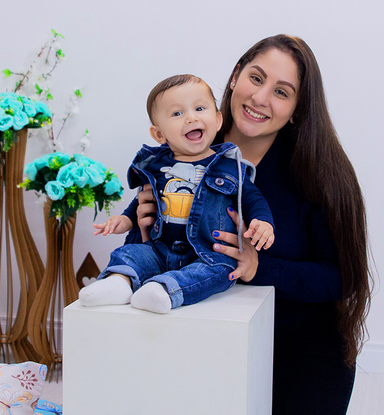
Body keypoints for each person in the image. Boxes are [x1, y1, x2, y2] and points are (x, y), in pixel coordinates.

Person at [127, 36, 372, 415]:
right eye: (256, 78)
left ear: (296, 109)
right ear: (236, 76)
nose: (260, 98)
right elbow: (147, 256)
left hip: (300, 343)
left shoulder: (319, 171)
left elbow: (341, 279)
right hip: (205, 341)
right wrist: (141, 229)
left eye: (281, 91)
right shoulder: (183, 144)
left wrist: (259, 266)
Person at [80, 74, 275, 314]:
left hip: (207, 254)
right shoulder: (156, 166)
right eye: (177, 113)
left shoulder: (230, 166)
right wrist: (124, 220)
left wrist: (262, 222)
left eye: (199, 108)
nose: (191, 117)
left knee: (223, 270)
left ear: (217, 120)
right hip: (159, 249)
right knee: (130, 253)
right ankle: (119, 283)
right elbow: (141, 201)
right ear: (159, 134)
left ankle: (165, 290)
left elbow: (253, 199)